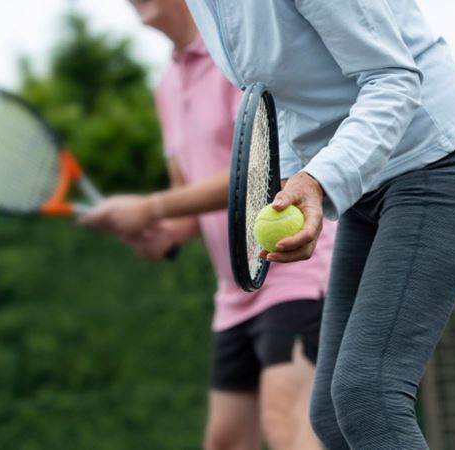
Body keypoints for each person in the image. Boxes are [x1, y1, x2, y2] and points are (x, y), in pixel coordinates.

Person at [85, 1, 455, 449]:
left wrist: (318, 180)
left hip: (437, 162)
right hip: (367, 190)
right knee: (329, 416)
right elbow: (279, 102)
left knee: (368, 396)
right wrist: (289, 185)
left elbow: (394, 80)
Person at [82, 1, 335, 449]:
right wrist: (158, 233)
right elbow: (187, 202)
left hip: (294, 273)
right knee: (226, 442)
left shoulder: (239, 57)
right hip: (233, 296)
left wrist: (152, 207)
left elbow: (267, 170)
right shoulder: (165, 86)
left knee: (289, 429)